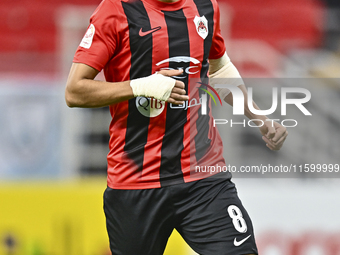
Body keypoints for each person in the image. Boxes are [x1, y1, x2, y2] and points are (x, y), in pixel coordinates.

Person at [65, 0, 288, 253]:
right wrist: (142, 86)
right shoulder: (116, 10)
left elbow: (218, 67)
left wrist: (259, 117)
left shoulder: (205, 6)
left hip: (203, 179)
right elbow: (75, 91)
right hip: (136, 182)